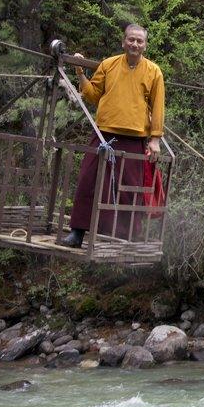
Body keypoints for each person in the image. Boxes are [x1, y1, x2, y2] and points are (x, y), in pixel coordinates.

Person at [58, 23, 165, 248]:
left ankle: (124, 238)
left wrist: (155, 139)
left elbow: (157, 107)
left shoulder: (154, 71)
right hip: (104, 134)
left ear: (145, 45)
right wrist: (79, 73)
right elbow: (94, 95)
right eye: (131, 40)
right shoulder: (109, 64)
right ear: (123, 42)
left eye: (139, 41)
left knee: (129, 190)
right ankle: (77, 233)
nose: (135, 44)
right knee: (88, 181)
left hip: (134, 138)